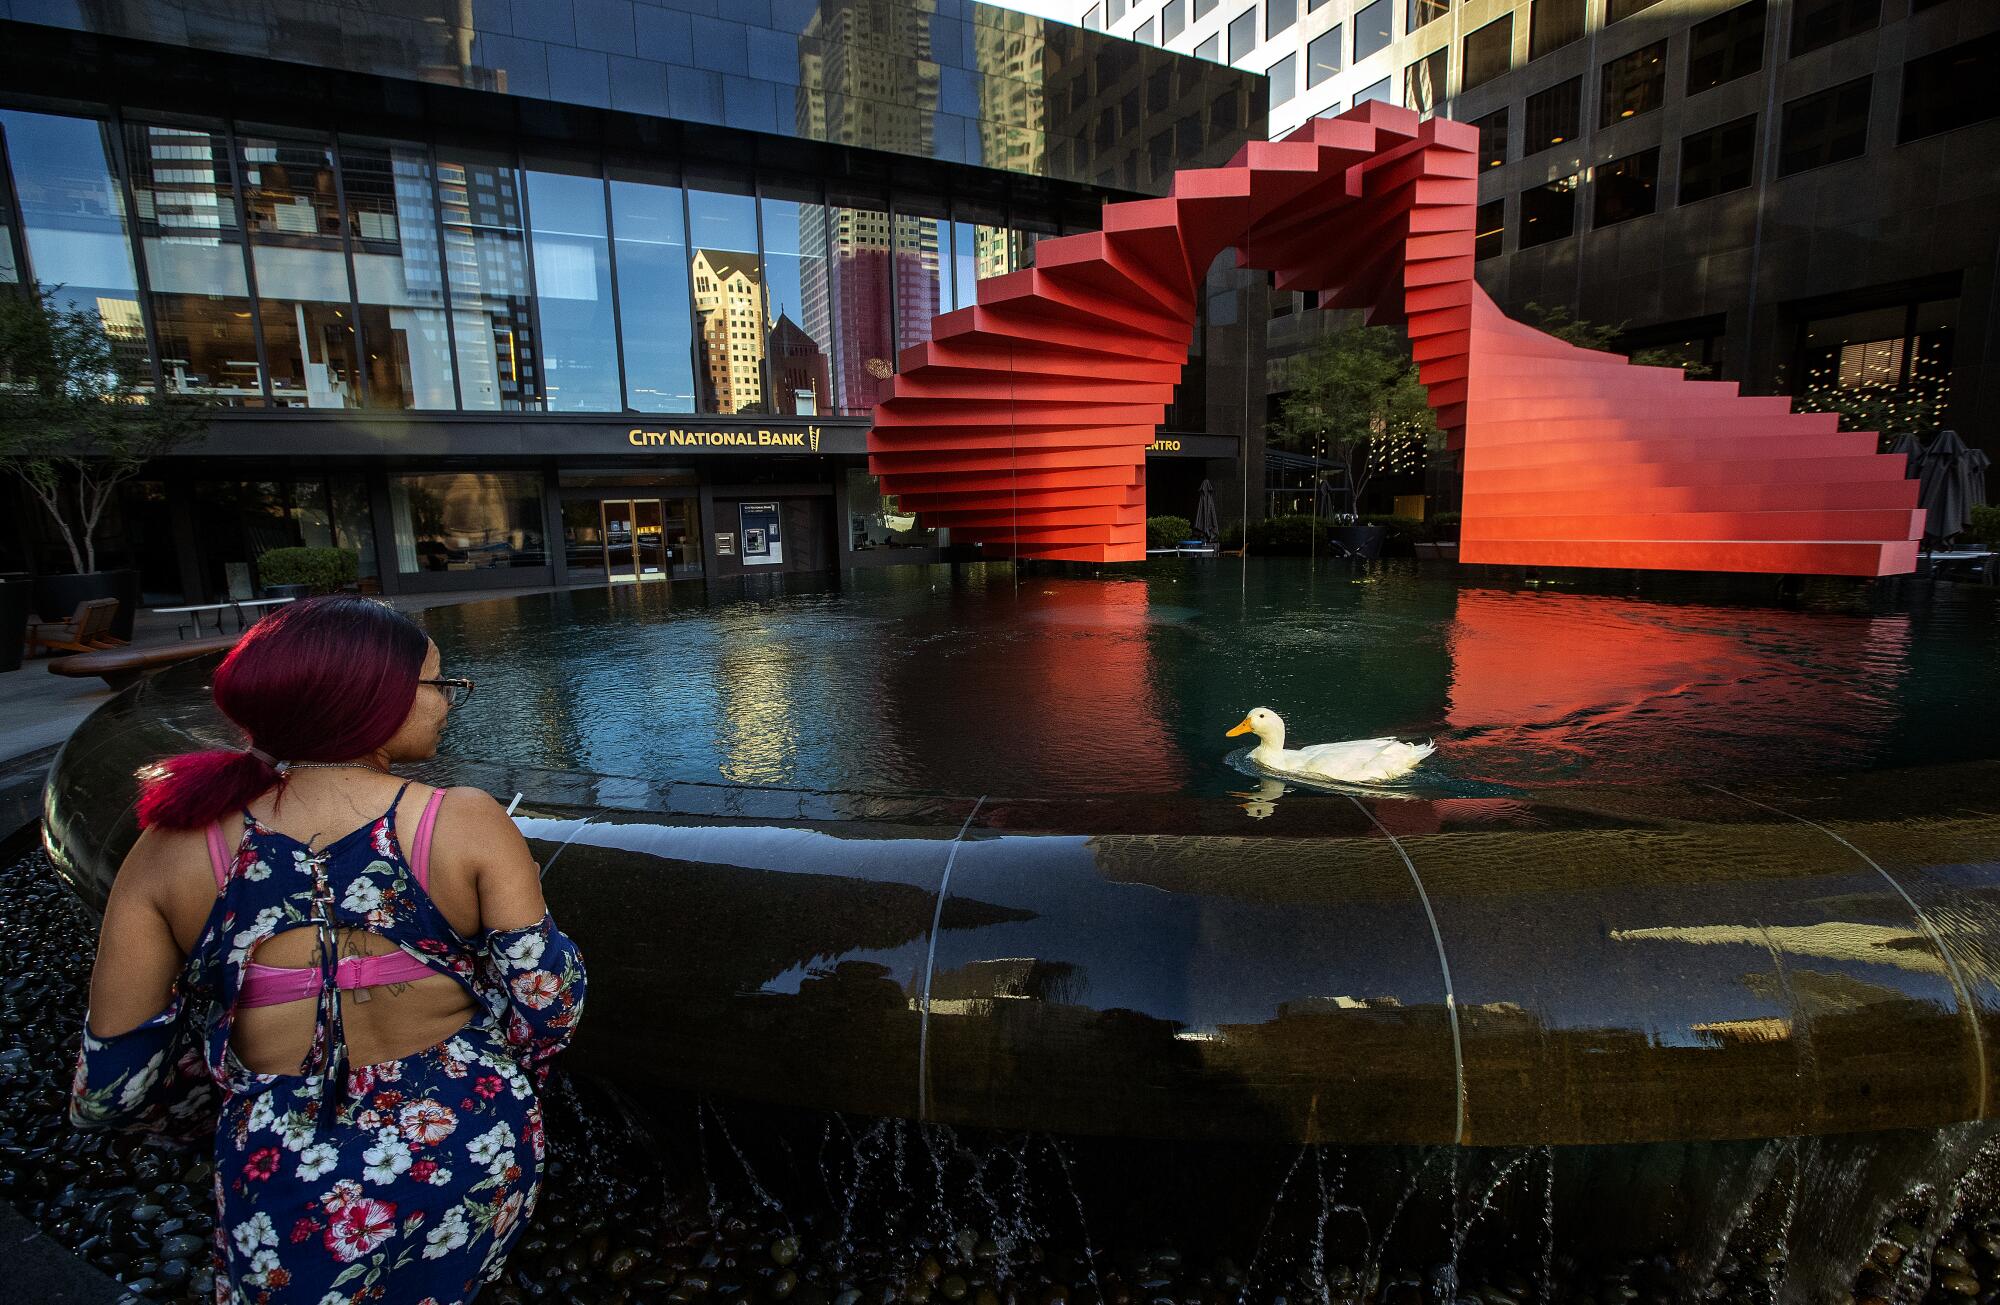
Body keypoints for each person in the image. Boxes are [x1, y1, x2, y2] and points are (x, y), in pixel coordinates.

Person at [69, 595, 586, 1304]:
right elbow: (548, 1010)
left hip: (282, 1174)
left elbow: (111, 1088)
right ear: (378, 699)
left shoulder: (172, 851)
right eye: (440, 684)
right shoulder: (463, 820)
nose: (448, 702)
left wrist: (238, 1095)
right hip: (469, 1147)